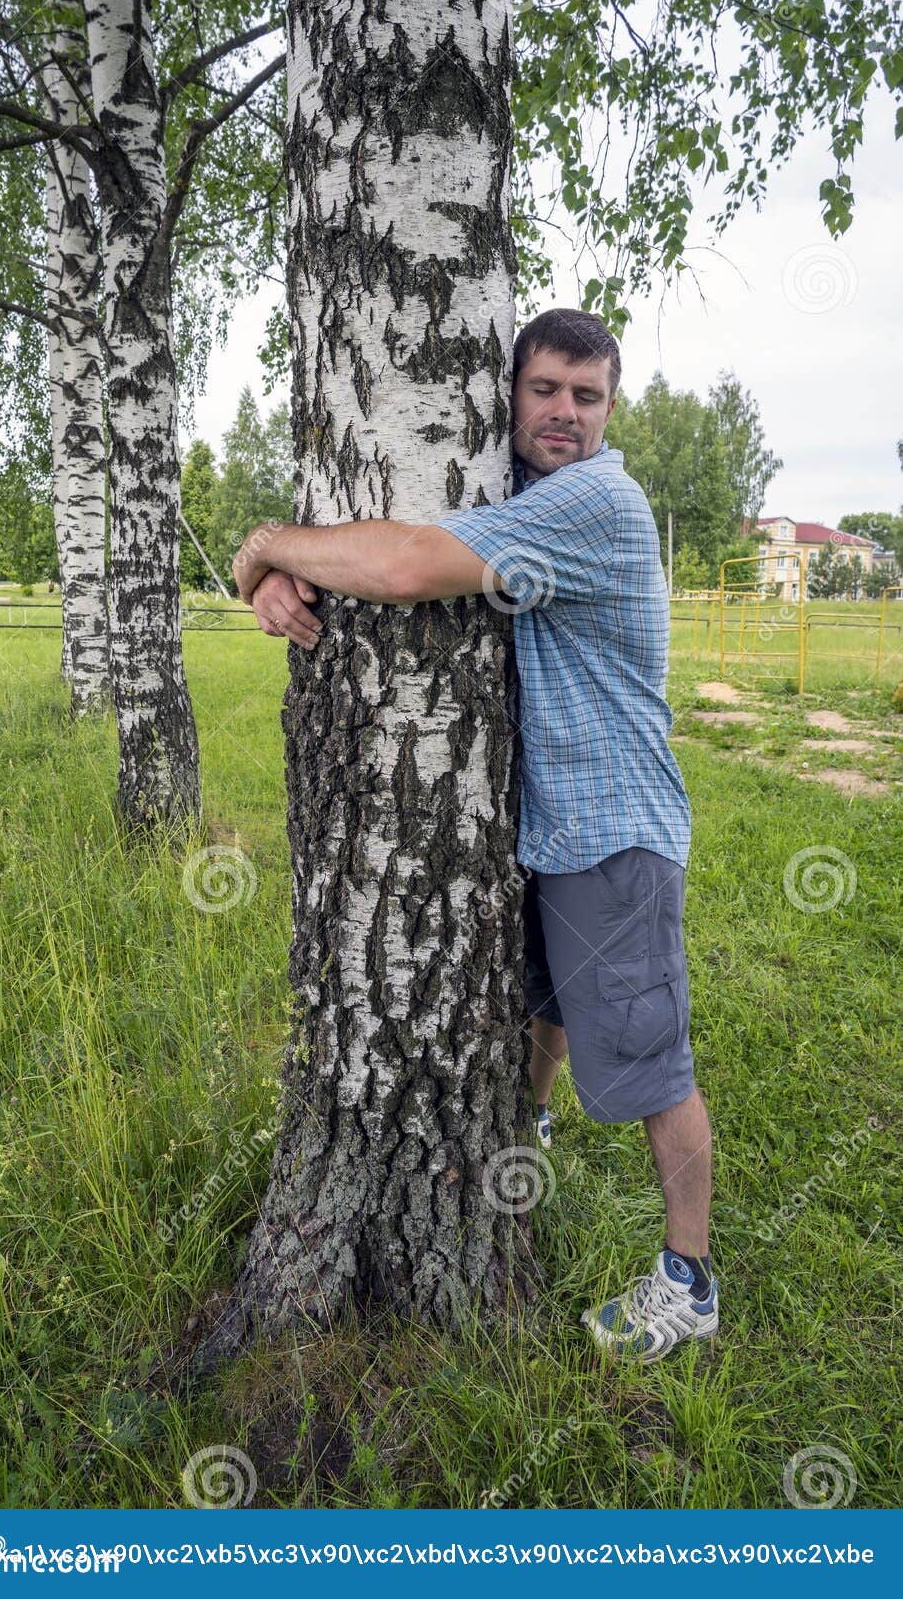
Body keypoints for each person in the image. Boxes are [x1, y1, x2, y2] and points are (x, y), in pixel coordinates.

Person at [233, 308, 716, 1361]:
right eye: (543, 389)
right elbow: (383, 554)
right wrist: (281, 578)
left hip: (615, 831)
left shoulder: (594, 501)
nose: (562, 413)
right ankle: (523, 1143)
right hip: (551, 827)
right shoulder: (525, 500)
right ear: (508, 395)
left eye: (585, 397)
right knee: (543, 1008)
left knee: (648, 1064)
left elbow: (404, 565)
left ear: (608, 410)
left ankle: (687, 1279)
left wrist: (267, 546)